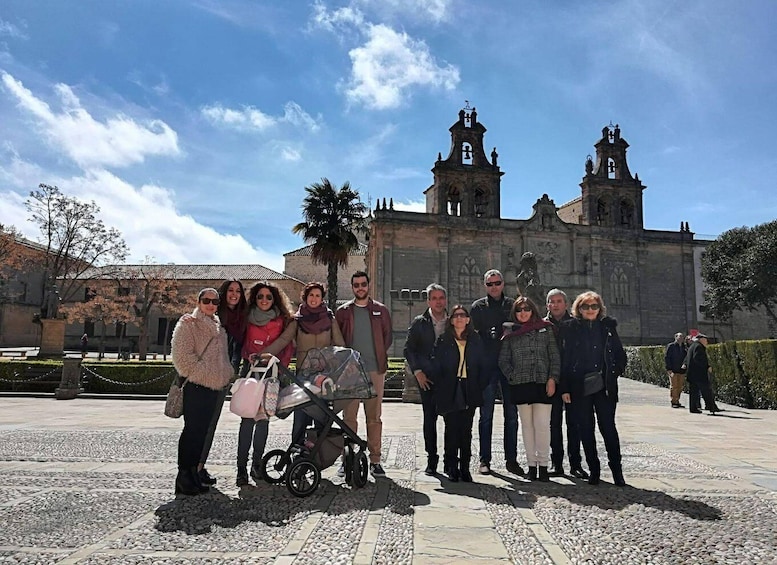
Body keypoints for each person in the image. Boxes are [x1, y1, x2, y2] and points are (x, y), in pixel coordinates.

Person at [263, 281, 345, 446]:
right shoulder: (297, 320)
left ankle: (318, 455)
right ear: (305, 297)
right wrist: (264, 354)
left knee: (321, 416)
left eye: (317, 295)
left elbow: (339, 345)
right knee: (300, 414)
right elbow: (284, 339)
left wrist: (344, 366)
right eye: (311, 295)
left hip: (323, 376)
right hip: (303, 374)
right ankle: (296, 451)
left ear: (322, 299)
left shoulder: (329, 319)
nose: (314, 299)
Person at [559, 291, 627, 487]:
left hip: (604, 386)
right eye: (585, 306)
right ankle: (594, 470)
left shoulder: (607, 327)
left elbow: (619, 354)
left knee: (608, 429)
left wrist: (613, 373)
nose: (590, 310)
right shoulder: (570, 328)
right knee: (586, 429)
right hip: (579, 386)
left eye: (594, 306)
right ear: (578, 309)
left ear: (600, 308)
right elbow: (565, 360)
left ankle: (617, 471)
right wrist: (565, 388)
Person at [170, 288, 233, 495]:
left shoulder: (218, 326)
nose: (211, 304)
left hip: (213, 387)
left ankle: (194, 472)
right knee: (192, 432)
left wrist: (224, 374)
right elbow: (181, 357)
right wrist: (204, 374)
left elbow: (222, 357)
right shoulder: (188, 324)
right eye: (206, 300)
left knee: (202, 432)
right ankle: (184, 476)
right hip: (197, 386)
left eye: (215, 301)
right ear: (198, 302)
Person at [236, 281, 294, 486]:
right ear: (255, 298)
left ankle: (257, 465)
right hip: (250, 372)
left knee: (263, 420)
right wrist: (248, 355)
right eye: (260, 296)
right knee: (247, 420)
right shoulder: (246, 317)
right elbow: (240, 341)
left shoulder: (281, 320)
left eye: (269, 297)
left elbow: (287, 346)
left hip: (270, 373)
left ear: (275, 299)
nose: (264, 300)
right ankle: (241, 469)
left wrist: (278, 362)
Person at [335, 271, 392, 477]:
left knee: (374, 417)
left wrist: (376, 356)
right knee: (348, 417)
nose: (360, 288)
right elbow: (338, 339)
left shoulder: (381, 310)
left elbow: (387, 337)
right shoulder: (343, 312)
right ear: (352, 287)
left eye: (363, 284)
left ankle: (375, 459)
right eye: (356, 285)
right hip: (350, 373)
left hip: (375, 370)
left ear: (368, 286)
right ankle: (347, 458)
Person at [499, 297, 560, 481]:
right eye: (519, 310)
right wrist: (513, 376)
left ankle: (543, 465)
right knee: (527, 426)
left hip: (542, 382)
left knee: (542, 425)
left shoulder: (546, 328)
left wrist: (553, 378)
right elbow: (503, 360)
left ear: (533, 310)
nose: (523, 312)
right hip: (521, 383)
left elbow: (554, 355)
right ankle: (531, 465)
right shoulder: (511, 332)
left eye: (526, 309)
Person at [197, 278, 247, 487]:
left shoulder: (242, 319)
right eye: (230, 291)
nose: (234, 294)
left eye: (238, 291)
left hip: (224, 377)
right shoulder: (215, 315)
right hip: (204, 375)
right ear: (224, 293)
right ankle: (193, 469)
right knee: (198, 424)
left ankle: (199, 467)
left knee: (211, 423)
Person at [470, 269, 520, 476]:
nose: (494, 287)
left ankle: (511, 459)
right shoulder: (478, 307)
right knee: (486, 416)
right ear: (485, 286)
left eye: (497, 283)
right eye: (489, 284)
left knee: (511, 416)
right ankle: (484, 459)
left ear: (503, 284)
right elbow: (473, 337)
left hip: (509, 368)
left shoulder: (512, 305)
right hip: (488, 368)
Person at [431, 305, 488, 482]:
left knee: (466, 430)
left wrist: (479, 384)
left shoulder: (476, 339)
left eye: (463, 315)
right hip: (451, 388)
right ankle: (451, 466)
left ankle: (465, 467)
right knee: (451, 429)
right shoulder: (444, 339)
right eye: (456, 316)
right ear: (451, 320)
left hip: (469, 387)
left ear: (468, 319)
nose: (459, 318)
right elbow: (436, 365)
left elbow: (482, 364)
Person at [404, 283, 448, 475]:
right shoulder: (419, 322)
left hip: (449, 378)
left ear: (445, 300)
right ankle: (432, 459)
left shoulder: (454, 320)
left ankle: (450, 459)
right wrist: (418, 372)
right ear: (428, 301)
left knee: (451, 420)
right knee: (430, 418)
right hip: (427, 378)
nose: (438, 302)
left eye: (441, 298)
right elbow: (409, 349)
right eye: (434, 298)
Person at [544, 289, 587, 479]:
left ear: (566, 304)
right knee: (553, 423)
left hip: (572, 380)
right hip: (551, 380)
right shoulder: (543, 325)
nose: (555, 304)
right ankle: (556, 463)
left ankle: (575, 463)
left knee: (574, 423)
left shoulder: (576, 325)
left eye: (559, 301)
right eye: (552, 301)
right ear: (547, 305)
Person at [682, 334, 721, 414]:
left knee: (694, 392)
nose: (707, 342)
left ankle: (693, 408)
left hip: (692, 374)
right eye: (706, 340)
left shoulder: (692, 346)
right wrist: (707, 366)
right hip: (699, 374)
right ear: (701, 339)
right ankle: (711, 407)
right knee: (706, 390)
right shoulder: (699, 347)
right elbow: (698, 359)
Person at [665, 332, 687, 409]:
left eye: (682, 337)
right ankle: (674, 401)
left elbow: (686, 357)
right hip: (673, 370)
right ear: (675, 337)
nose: (681, 338)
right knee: (674, 386)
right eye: (679, 336)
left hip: (681, 370)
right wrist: (669, 369)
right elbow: (667, 358)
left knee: (680, 387)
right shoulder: (671, 346)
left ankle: (677, 400)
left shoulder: (684, 347)